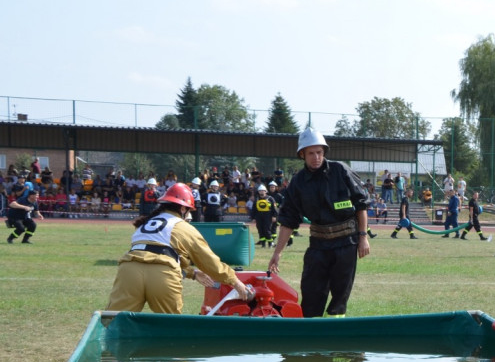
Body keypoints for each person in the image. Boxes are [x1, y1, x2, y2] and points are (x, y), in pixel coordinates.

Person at [268, 128, 371, 318]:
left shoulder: (341, 170)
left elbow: (361, 204)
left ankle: (336, 333)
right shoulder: (298, 183)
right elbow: (288, 220)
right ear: (302, 155)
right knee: (311, 293)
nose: (316, 157)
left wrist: (363, 237)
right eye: (311, 153)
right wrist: (277, 253)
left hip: (346, 243)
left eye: (319, 152)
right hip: (318, 245)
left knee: (340, 294)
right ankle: (311, 339)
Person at [106, 183, 252, 314]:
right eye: (189, 210)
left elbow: (154, 252)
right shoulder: (182, 226)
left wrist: (192, 273)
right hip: (162, 274)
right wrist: (234, 280)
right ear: (182, 208)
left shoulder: (146, 224)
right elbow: (208, 260)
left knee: (114, 322)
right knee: (170, 327)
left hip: (129, 271)